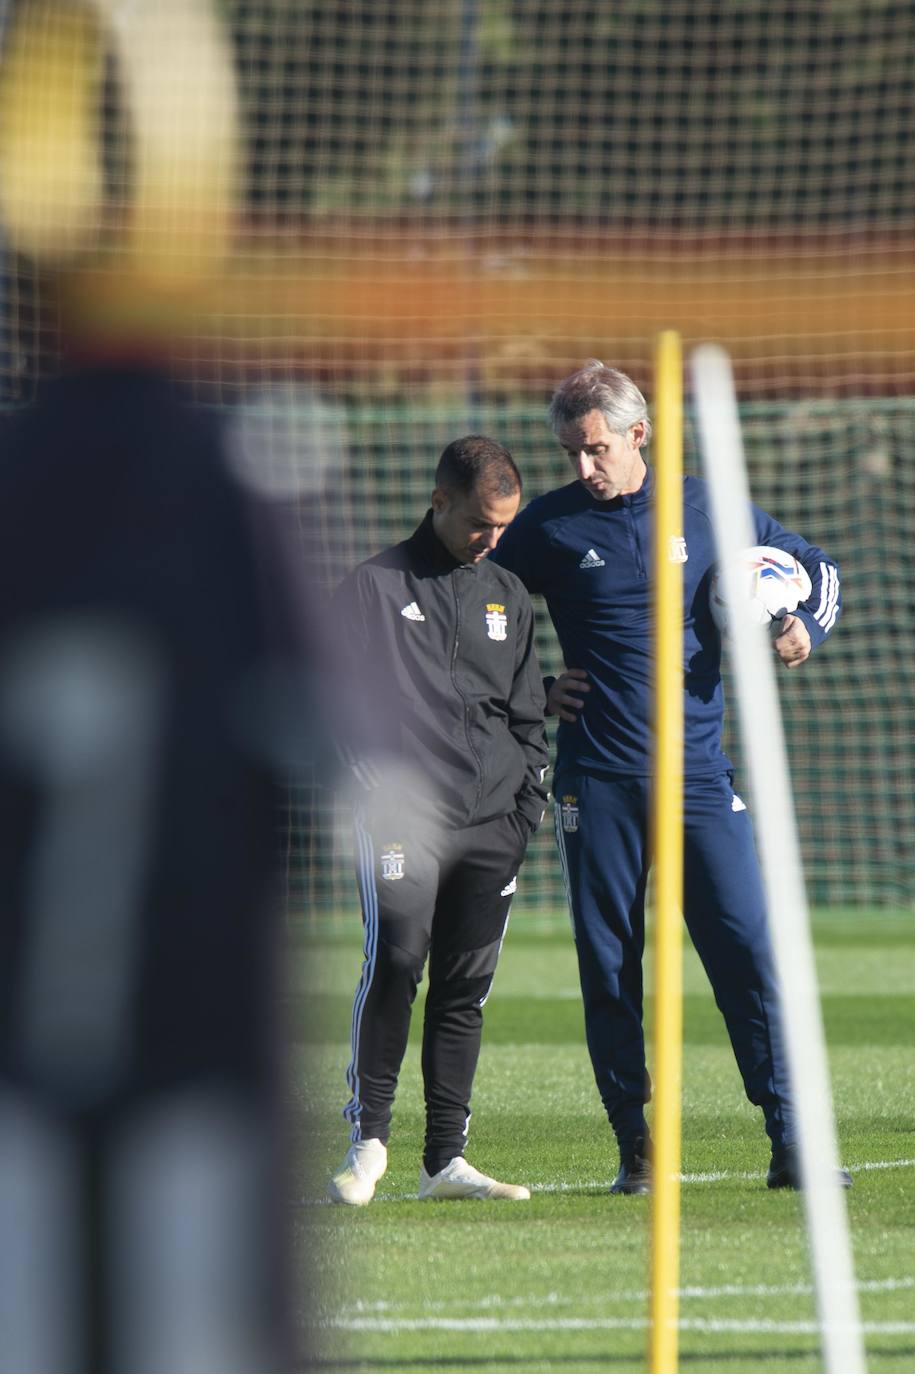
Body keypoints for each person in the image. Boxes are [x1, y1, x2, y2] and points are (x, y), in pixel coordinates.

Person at [492, 361, 848, 1194]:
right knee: (609, 963)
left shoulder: (709, 508)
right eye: (570, 452)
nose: (582, 466)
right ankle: (636, 1150)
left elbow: (815, 566)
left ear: (637, 435)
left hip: (697, 778)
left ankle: (792, 1139)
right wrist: (530, 691)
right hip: (596, 782)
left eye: (594, 448)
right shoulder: (546, 526)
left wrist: (802, 628)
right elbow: (472, 608)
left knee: (748, 952)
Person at [328, 435, 549, 1205]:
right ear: (439, 502)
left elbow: (526, 712)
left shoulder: (507, 595)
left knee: (465, 990)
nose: (491, 539)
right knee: (395, 963)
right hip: (402, 821)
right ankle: (368, 1145)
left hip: (494, 825)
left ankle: (444, 1162)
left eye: (503, 527)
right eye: (480, 524)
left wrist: (527, 803)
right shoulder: (371, 588)